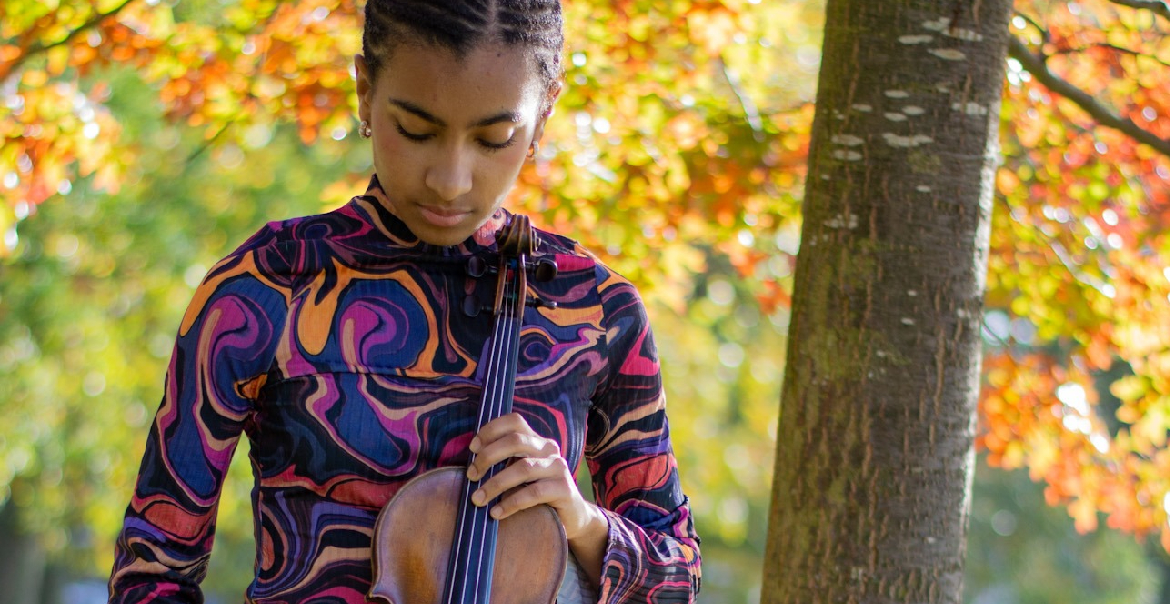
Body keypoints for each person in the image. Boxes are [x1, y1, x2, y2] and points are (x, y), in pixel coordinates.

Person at [107, 1, 700, 602]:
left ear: (543, 114)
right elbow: (152, 571)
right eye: (417, 130)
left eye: (494, 139)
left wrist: (579, 519)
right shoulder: (269, 283)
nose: (451, 179)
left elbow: (678, 579)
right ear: (365, 90)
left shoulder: (595, 309)